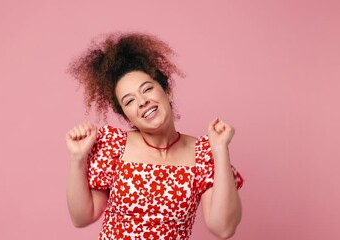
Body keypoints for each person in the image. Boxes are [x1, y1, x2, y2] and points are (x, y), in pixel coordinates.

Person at [65, 32, 244, 239]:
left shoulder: (204, 153)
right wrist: (78, 159)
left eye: (147, 89)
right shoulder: (113, 147)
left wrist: (220, 151)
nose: (142, 102)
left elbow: (223, 229)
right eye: (129, 101)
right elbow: (81, 218)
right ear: (127, 117)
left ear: (167, 91)